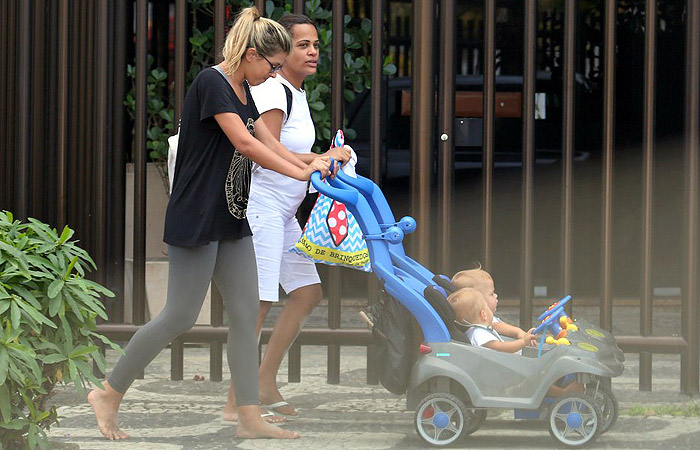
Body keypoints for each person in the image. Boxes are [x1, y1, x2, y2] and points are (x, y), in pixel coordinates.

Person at [87, 6, 334, 440]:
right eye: (272, 66)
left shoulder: (246, 89)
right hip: (198, 215)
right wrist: (301, 172)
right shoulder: (212, 82)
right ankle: (108, 391)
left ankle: (249, 417)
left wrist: (311, 162)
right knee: (178, 315)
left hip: (230, 215)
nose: (273, 75)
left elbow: (265, 141)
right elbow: (243, 141)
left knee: (243, 314)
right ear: (253, 54)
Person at [222, 14, 350, 421]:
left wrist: (320, 159)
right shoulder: (276, 92)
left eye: (315, 45)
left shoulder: (295, 92)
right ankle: (236, 403)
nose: (312, 52)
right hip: (263, 208)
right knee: (258, 304)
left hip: (285, 211)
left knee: (308, 292)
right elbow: (268, 153)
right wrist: (318, 160)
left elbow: (286, 153)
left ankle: (263, 381)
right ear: (280, 53)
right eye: (302, 45)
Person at [448, 287, 581, 396]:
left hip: (504, 367)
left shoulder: (479, 330)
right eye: (488, 310)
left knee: (540, 368)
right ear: (483, 314)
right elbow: (501, 347)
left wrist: (522, 337)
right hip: (502, 373)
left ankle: (556, 383)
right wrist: (523, 342)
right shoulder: (479, 334)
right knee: (536, 378)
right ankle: (563, 393)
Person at [452, 267, 536, 345]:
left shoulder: (484, 321)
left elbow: (498, 325)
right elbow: (501, 348)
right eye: (491, 294)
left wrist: (519, 332)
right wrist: (523, 342)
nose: (496, 295)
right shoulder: (478, 332)